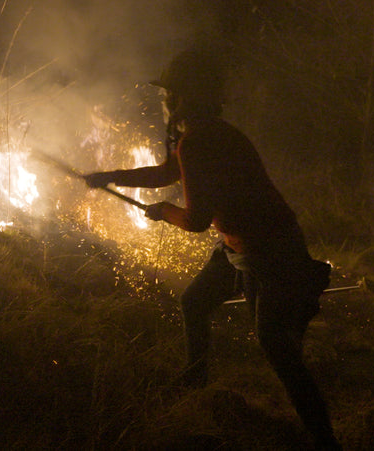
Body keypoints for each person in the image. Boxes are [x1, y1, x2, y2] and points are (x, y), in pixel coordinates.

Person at [84, 47, 340, 451]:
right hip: (241, 245)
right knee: (194, 302)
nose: (165, 100)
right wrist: (112, 176)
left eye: (169, 93)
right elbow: (168, 172)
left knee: (277, 348)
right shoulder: (205, 134)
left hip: (268, 251)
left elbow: (196, 220)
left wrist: (163, 211)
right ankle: (196, 381)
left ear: (183, 96)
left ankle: (325, 441)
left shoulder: (200, 141)